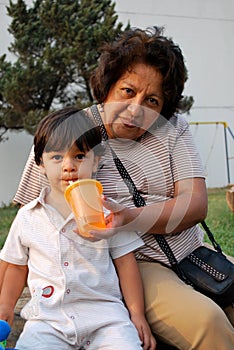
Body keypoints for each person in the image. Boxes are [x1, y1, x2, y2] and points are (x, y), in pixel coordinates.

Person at [5, 26, 234, 348]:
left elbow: (195, 204)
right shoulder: (68, 132)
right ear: (106, 86)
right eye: (128, 91)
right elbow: (31, 220)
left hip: (192, 253)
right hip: (132, 261)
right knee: (208, 324)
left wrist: (129, 216)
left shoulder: (174, 129)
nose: (137, 109)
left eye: (152, 100)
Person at [0, 107, 156, 350]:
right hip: (48, 321)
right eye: (57, 157)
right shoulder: (27, 217)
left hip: (106, 318)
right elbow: (16, 267)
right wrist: (6, 307)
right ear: (40, 163)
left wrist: (137, 314)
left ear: (96, 161)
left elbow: (126, 263)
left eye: (79, 156)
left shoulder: (110, 213)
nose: (68, 166)